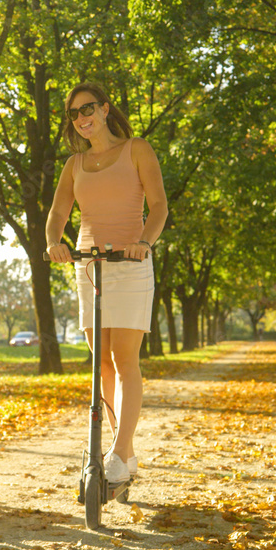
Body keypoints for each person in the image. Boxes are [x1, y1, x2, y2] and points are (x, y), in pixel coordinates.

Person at [45, 83, 168, 484]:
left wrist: (143, 243)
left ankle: (117, 451)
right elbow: (58, 212)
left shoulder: (137, 150)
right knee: (101, 364)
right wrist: (54, 243)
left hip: (130, 263)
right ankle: (123, 450)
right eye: (75, 114)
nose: (82, 118)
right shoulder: (74, 165)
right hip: (89, 265)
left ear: (105, 108)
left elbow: (159, 205)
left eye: (89, 108)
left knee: (125, 359)